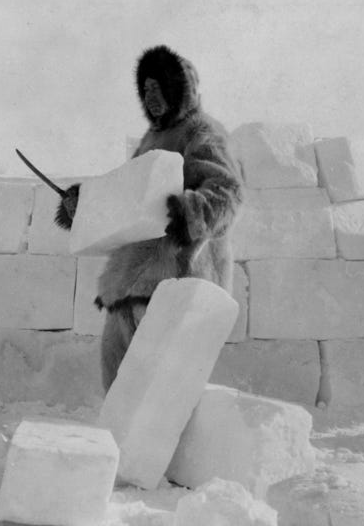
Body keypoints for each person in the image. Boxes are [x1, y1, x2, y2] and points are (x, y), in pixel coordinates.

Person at [54, 45, 243, 390]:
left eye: (158, 87)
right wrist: (83, 205)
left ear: (178, 89)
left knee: (157, 397)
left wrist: (190, 212)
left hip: (175, 281)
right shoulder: (151, 139)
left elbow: (227, 191)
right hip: (129, 286)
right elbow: (129, 198)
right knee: (120, 394)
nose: (150, 96)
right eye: (145, 89)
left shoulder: (202, 132)